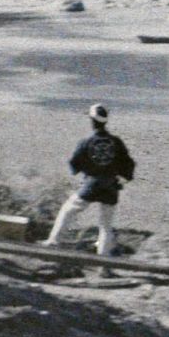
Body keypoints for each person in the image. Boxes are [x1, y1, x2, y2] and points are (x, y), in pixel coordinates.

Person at [47, 103, 136, 258]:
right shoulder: (116, 142)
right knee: (106, 225)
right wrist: (123, 178)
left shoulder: (86, 141)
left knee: (68, 210)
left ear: (92, 121)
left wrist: (85, 171)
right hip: (111, 186)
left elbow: (74, 163)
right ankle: (103, 258)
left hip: (92, 184)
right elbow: (129, 163)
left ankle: (54, 241)